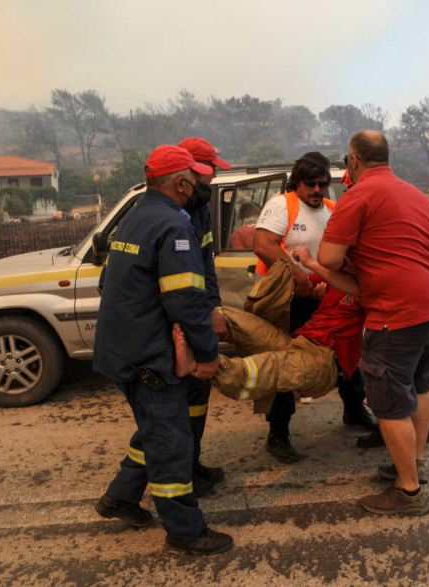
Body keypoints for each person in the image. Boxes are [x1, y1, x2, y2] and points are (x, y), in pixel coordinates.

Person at [93, 145, 233, 555]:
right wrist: (207, 354)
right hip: (151, 358)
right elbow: (187, 301)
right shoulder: (173, 226)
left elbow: (111, 284)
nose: (196, 186)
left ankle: (120, 497)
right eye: (193, 179)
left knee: (157, 429)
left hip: (123, 351)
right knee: (171, 445)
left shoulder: (136, 216)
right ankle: (186, 532)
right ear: (180, 182)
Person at [317, 130, 429, 516]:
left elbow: (329, 259)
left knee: (390, 405)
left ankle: (408, 492)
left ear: (353, 160)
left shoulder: (357, 196)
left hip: (398, 315)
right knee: (420, 385)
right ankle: (415, 463)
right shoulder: (414, 193)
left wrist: (314, 262)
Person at [253, 152, 377, 463]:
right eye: (310, 184)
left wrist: (326, 283)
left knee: (346, 350)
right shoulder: (283, 205)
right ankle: (278, 433)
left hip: (322, 298)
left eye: (323, 184)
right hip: (285, 303)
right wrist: (300, 278)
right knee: (285, 364)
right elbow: (264, 245)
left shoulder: (333, 210)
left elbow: (338, 256)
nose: (317, 190)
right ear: (297, 183)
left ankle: (353, 409)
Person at [172, 258, 364, 406]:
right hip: (297, 344)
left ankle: (198, 363)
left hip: (326, 361)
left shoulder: (369, 289)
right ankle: (184, 337)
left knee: (263, 368)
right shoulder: (333, 279)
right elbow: (300, 282)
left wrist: (312, 262)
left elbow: (371, 298)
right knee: (227, 317)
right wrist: (310, 290)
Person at [176, 137, 232, 497]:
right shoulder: (170, 215)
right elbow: (179, 288)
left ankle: (192, 464)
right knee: (175, 409)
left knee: (197, 400)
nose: (214, 179)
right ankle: (181, 476)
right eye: (210, 171)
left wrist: (215, 307)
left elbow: (206, 266)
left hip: (197, 317)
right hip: (180, 325)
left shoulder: (199, 209)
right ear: (193, 172)